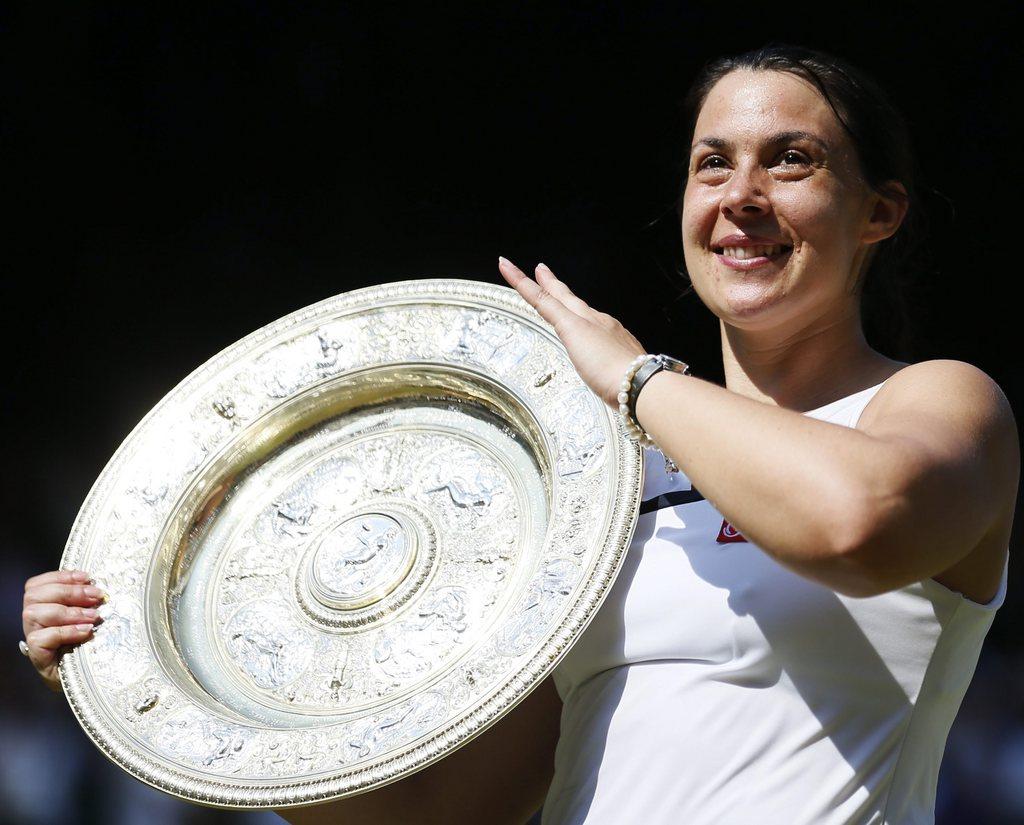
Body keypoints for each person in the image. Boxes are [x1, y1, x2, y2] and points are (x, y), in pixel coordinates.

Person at [20, 43, 1019, 824]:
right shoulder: (611, 482)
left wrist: (631, 377)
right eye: (710, 165)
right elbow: (432, 814)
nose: (738, 198)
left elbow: (858, 526)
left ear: (879, 212)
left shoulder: (933, 405)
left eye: (789, 161)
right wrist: (153, 685)